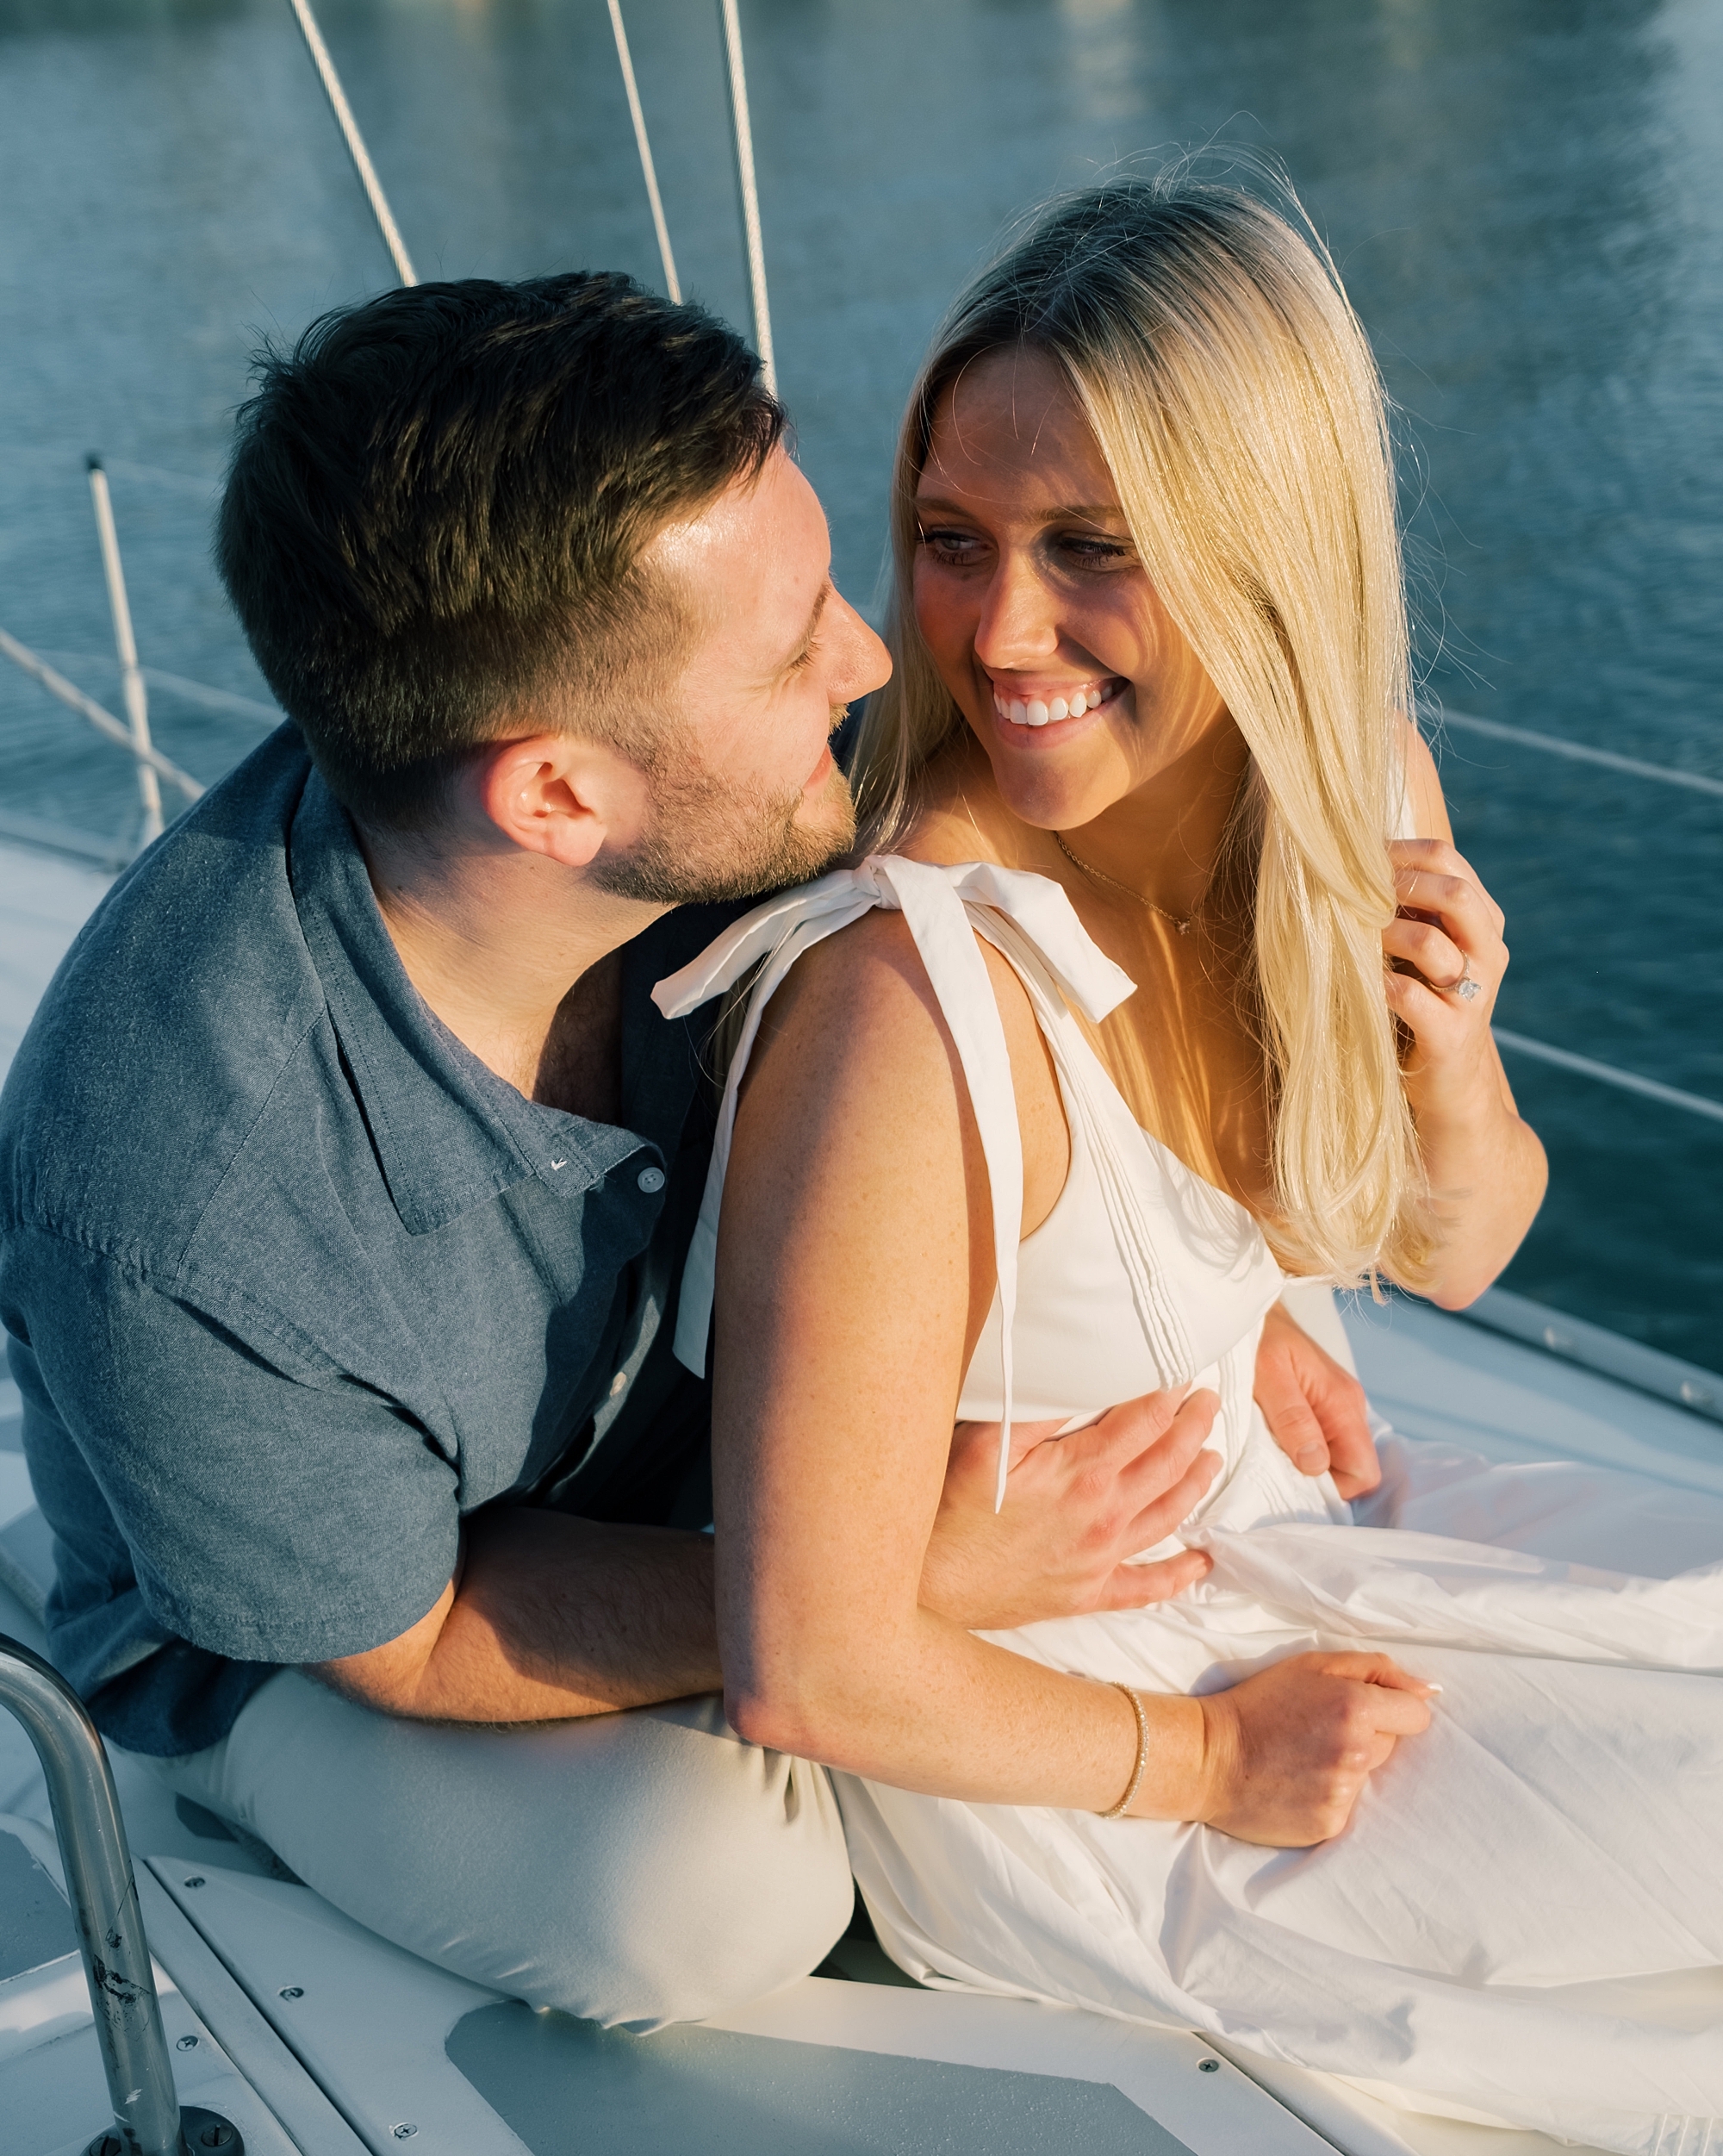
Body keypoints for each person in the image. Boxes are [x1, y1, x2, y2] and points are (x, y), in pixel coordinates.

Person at [0, 269, 1371, 2031]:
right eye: (799, 640)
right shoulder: (180, 1199)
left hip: (678, 1505)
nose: (875, 661)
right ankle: (173, 1712)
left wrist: (1214, 1273)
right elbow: (413, 1638)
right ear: (558, 794)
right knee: (708, 1897)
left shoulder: (709, 786)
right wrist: (902, 1587)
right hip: (334, 1634)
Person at [661, 178, 1723, 2147]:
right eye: (953, 543)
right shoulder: (910, 1007)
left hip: (1293, 1536)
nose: (1002, 631)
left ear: (1267, 560)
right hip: (1080, 1752)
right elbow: (806, 1664)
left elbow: (1461, 1251)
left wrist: (1453, 1057)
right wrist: (1213, 1756)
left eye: (1092, 549)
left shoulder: (1343, 798)